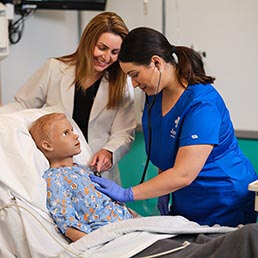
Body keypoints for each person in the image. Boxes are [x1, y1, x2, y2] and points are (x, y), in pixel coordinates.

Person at [90, 27, 258, 227]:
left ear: (156, 62)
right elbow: (166, 153)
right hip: (187, 203)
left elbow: (183, 174)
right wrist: (164, 195)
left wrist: (128, 193)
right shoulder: (154, 97)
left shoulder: (202, 104)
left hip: (224, 200)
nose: (134, 84)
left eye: (135, 75)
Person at [0, 12, 136, 184]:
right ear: (88, 41)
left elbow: (124, 132)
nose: (107, 57)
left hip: (97, 171)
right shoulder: (54, 69)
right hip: (55, 169)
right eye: (102, 48)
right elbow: (23, 104)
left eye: (115, 52)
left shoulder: (121, 84)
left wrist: (109, 151)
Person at [29, 112, 136, 242]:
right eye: (66, 133)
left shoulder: (84, 170)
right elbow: (67, 223)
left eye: (72, 130)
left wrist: (134, 217)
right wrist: (95, 246)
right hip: (108, 235)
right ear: (47, 145)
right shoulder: (55, 179)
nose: (76, 135)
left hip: (130, 225)